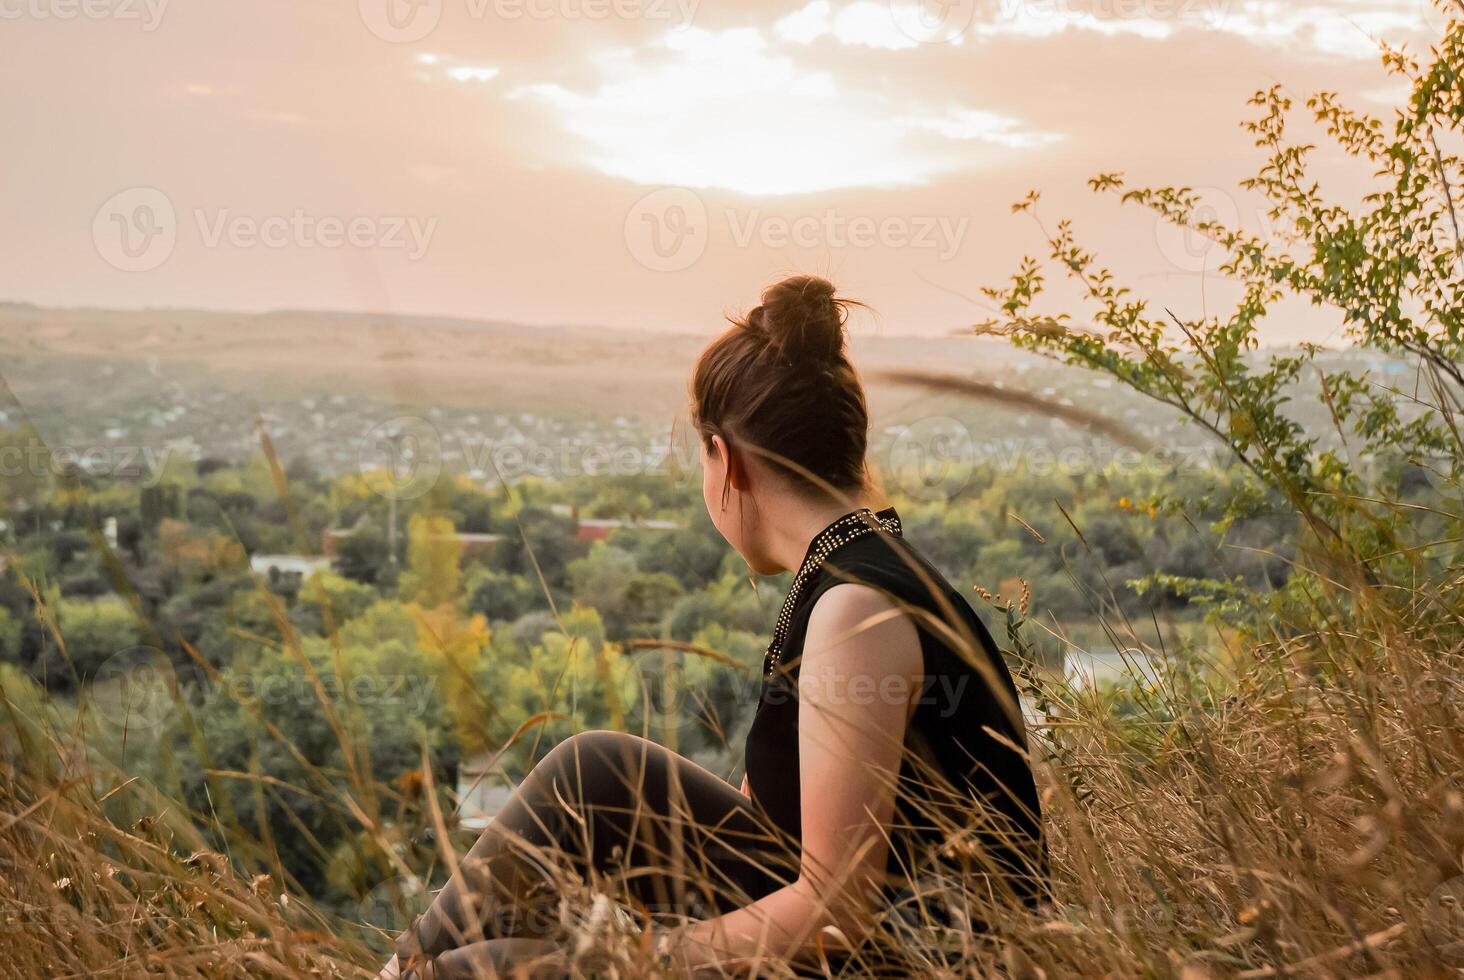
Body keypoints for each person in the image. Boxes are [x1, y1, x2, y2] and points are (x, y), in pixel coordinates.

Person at [381, 276, 1044, 978]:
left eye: (699, 457)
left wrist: (638, 957)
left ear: (726, 462)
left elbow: (833, 911)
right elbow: (771, 833)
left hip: (928, 967)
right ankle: (401, 971)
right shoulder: (848, 577)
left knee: (493, 969)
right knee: (593, 771)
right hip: (880, 950)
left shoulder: (859, 611)